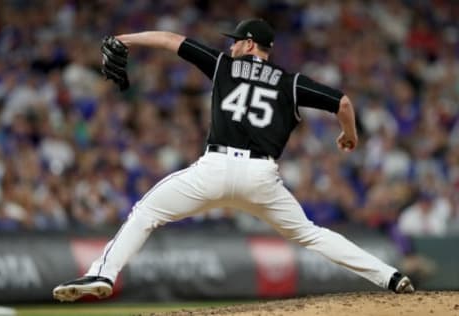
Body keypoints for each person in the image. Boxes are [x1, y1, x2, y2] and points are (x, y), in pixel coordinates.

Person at [53, 19, 414, 302]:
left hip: (213, 169)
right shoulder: (290, 82)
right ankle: (390, 276)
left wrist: (125, 39)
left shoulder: (223, 65)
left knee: (146, 214)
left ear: (250, 43)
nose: (232, 44)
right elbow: (344, 103)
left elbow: (168, 39)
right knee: (311, 235)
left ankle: (102, 274)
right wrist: (349, 134)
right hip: (261, 177)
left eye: (236, 39)